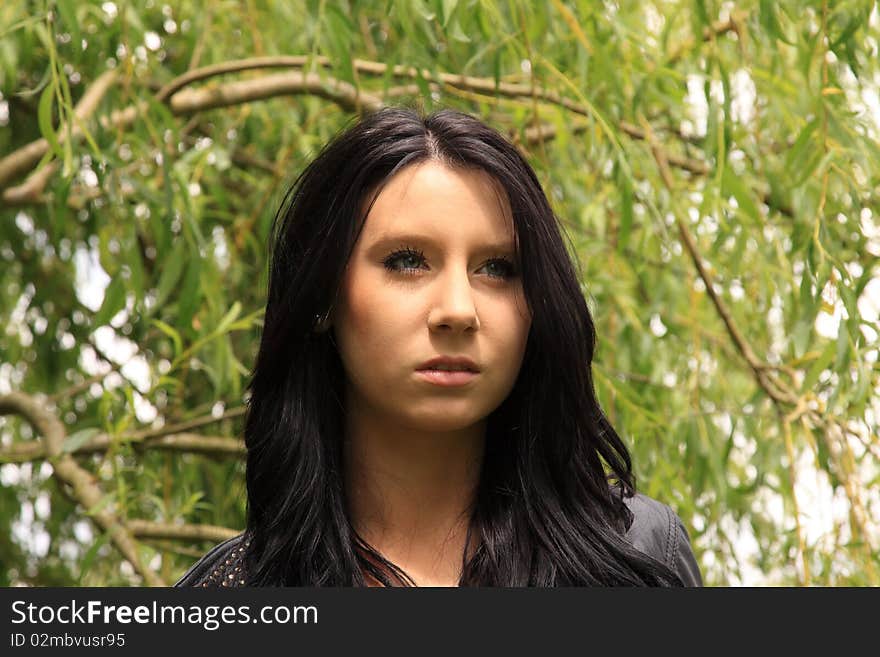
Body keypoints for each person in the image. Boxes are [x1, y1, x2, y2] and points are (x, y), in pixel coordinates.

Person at [175, 107, 702, 587]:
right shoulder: (228, 593)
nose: (458, 310)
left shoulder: (636, 557)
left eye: (497, 269)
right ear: (324, 296)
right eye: (407, 261)